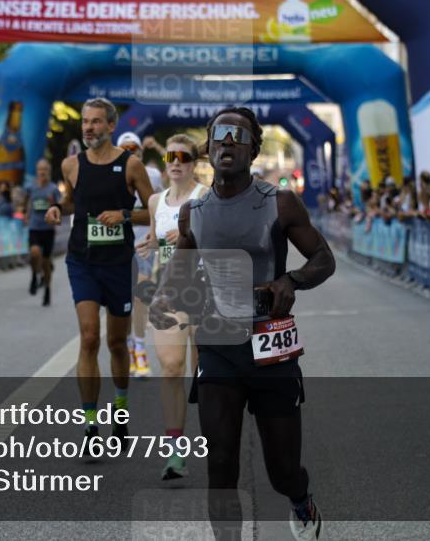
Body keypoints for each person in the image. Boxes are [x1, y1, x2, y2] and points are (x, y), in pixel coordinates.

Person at [149, 106, 335, 541]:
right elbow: (181, 266)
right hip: (218, 346)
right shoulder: (193, 213)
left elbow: (324, 258)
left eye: (238, 135)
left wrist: (292, 279)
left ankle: (299, 498)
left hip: (272, 348)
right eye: (219, 134)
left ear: (254, 149)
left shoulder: (281, 202)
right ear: (209, 148)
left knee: (283, 470)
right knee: (221, 464)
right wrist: (164, 294)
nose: (227, 142)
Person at [44, 97, 154, 444]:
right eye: (85, 122)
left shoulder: (131, 165)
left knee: (116, 343)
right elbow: (72, 200)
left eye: (95, 122)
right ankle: (91, 424)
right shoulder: (71, 165)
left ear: (110, 126)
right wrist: (57, 209)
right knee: (90, 336)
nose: (88, 127)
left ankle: (120, 413)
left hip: (119, 264)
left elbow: (153, 212)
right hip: (83, 261)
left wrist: (123, 215)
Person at [135, 133, 207, 480]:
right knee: (171, 366)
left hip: (206, 294)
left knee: (204, 374)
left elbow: (221, 238)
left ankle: (218, 440)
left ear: (194, 163)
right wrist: (152, 243)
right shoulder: (154, 201)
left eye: (184, 156)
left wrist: (192, 234)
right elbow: (156, 238)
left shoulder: (205, 197)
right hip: (169, 293)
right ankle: (175, 451)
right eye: (171, 157)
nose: (176, 162)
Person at [117, 130, 164, 377]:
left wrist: (157, 144)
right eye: (125, 150)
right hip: (117, 247)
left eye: (134, 149)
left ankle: (140, 347)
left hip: (144, 245)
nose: (130, 154)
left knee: (140, 298)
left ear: (141, 153)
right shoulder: (110, 178)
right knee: (121, 303)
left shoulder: (153, 175)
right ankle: (128, 346)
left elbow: (177, 171)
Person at [25, 159, 61, 306]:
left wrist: (56, 220)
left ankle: (47, 290)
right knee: (34, 253)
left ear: (49, 171)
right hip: (34, 227)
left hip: (48, 230)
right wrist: (27, 216)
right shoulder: (31, 187)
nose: (42, 172)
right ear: (37, 170)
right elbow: (29, 203)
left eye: (45, 169)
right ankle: (34, 275)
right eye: (40, 169)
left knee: (46, 263)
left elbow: (59, 207)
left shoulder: (53, 189)